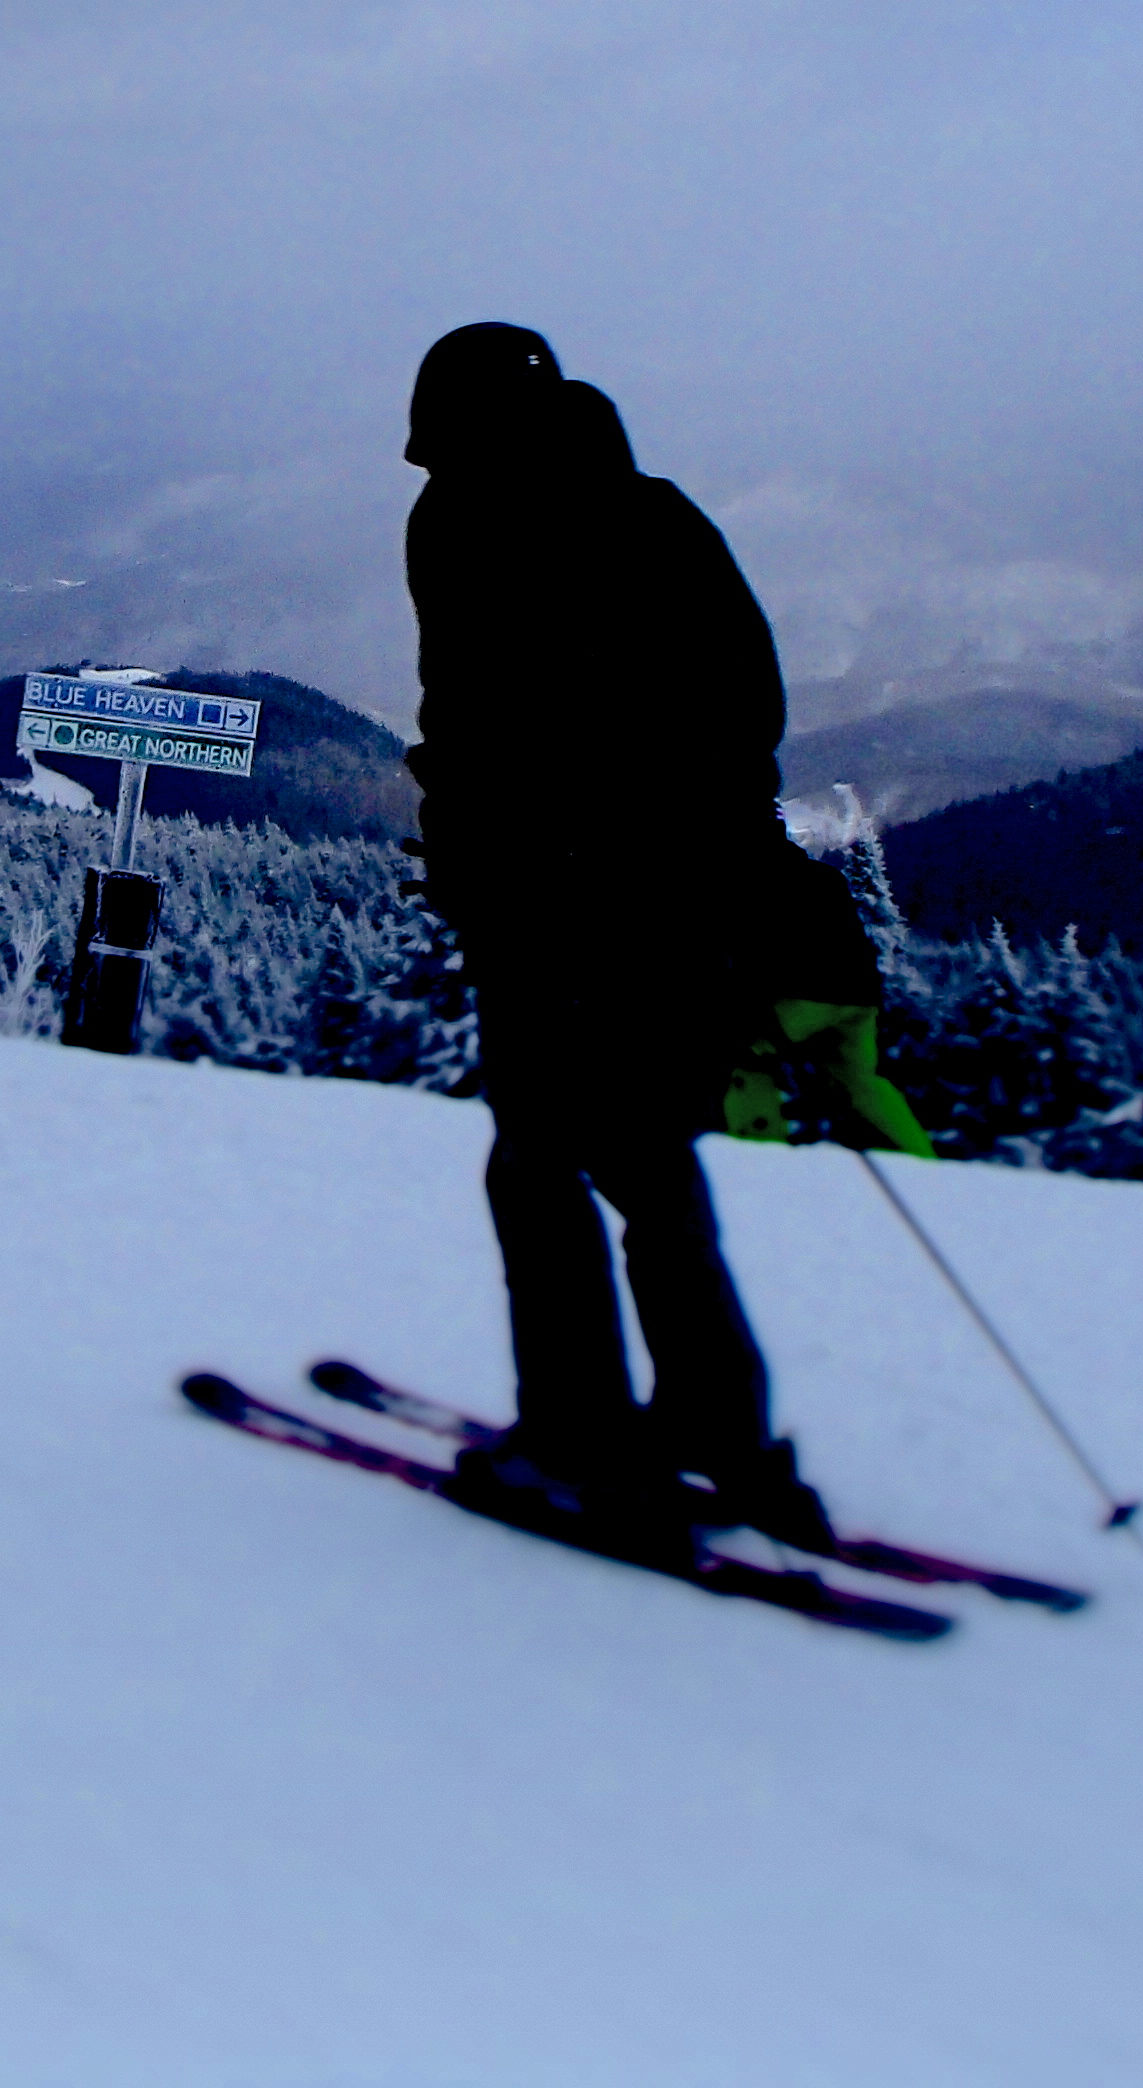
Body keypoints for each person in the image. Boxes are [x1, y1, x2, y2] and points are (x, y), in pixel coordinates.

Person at [400, 322, 834, 1555]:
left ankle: (576, 1442)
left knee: (537, 1167)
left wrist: (478, 863)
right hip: (682, 902)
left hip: (548, 905)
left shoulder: (465, 523)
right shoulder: (656, 514)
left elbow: (472, 728)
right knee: (645, 1156)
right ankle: (722, 1436)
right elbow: (749, 708)